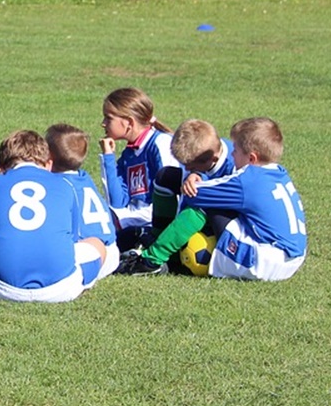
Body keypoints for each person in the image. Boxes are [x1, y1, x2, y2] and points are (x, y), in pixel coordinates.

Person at [0, 130, 107, 303]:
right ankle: (81, 281)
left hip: (1, 288)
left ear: (1, 168)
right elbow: (72, 240)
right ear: (49, 164)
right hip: (60, 288)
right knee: (97, 244)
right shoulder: (65, 185)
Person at [181, 117, 307, 281]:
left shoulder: (248, 178)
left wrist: (193, 178)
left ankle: (164, 256)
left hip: (262, 264)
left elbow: (195, 195)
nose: (232, 154)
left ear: (252, 159)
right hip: (294, 261)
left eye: (236, 150)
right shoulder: (280, 173)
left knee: (215, 207)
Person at [118, 118, 236, 275]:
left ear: (212, 159)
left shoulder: (235, 166)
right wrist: (196, 172)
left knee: (197, 205)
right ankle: (157, 237)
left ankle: (152, 260)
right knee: (165, 177)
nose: (187, 169)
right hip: (206, 203)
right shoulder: (206, 150)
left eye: (191, 166)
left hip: (229, 219)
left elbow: (196, 204)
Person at [98, 87, 178, 251]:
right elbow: (117, 202)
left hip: (158, 227)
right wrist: (108, 157)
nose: (103, 123)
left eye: (108, 118)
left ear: (129, 122)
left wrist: (123, 220)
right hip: (134, 222)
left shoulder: (160, 144)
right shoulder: (129, 154)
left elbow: (172, 203)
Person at [46, 123, 118, 283]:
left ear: (48, 155)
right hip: (112, 251)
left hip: (93, 254)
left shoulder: (59, 186)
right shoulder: (83, 177)